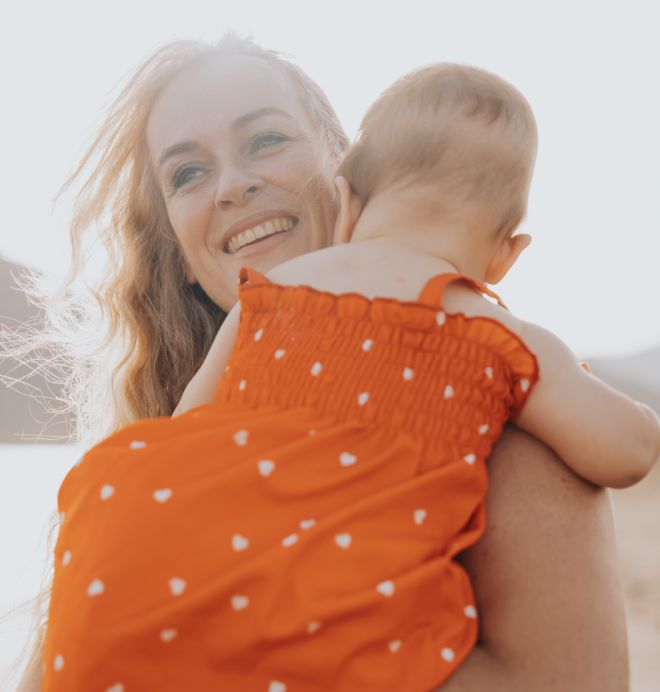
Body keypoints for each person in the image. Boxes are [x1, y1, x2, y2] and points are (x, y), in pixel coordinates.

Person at [14, 35, 629, 691]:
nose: (232, 185)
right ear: (182, 259)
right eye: (188, 173)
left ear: (350, 176)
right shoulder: (149, 465)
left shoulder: (500, 419)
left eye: (266, 140)